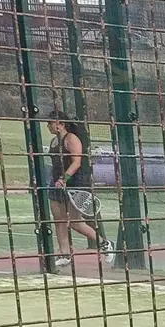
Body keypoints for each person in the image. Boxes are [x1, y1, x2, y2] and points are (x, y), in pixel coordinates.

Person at [44, 115, 116, 271]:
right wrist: (57, 180)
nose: (48, 126)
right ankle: (64, 254)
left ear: (61, 124)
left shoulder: (71, 139)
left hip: (75, 182)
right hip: (56, 183)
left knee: (75, 221)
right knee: (59, 219)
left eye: (50, 123)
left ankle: (105, 243)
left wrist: (64, 179)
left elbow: (76, 163)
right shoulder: (54, 141)